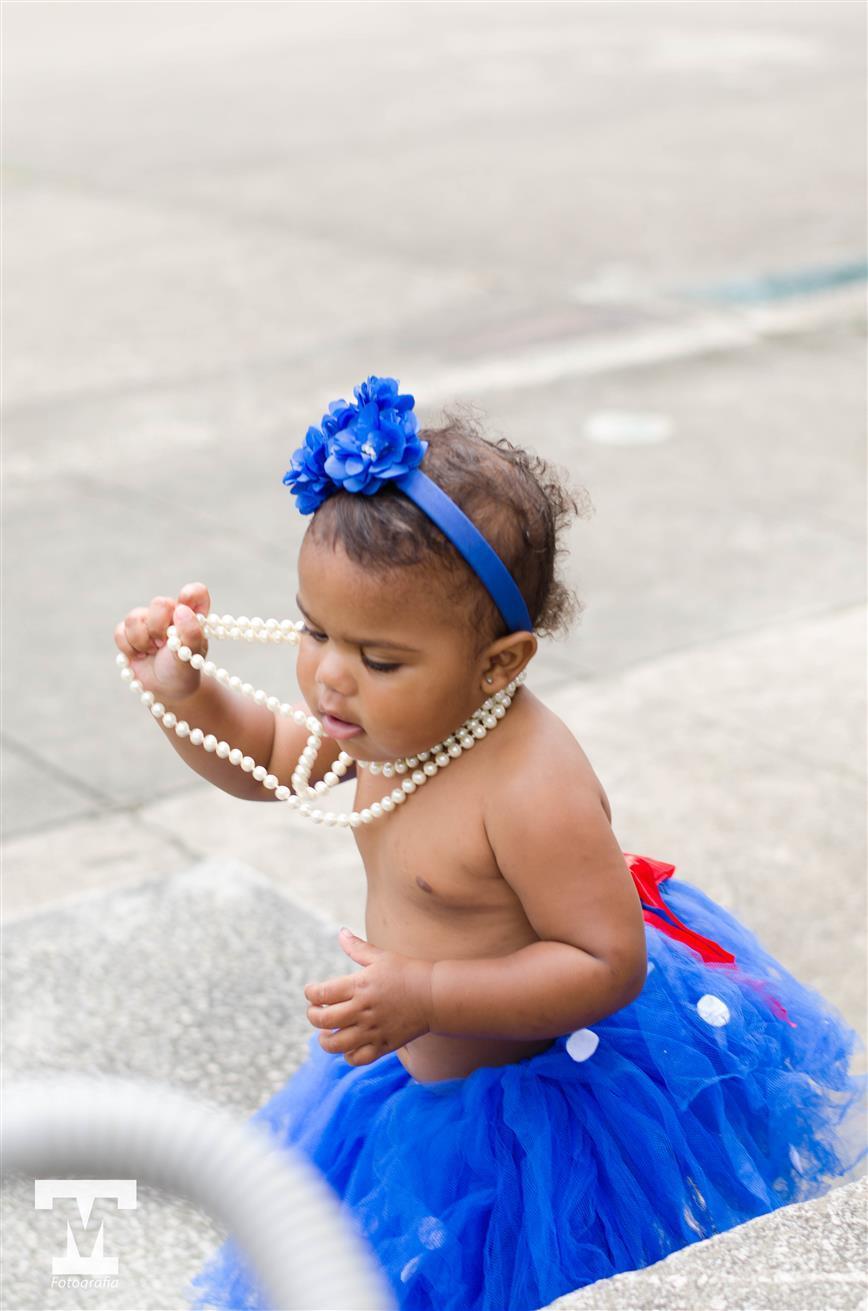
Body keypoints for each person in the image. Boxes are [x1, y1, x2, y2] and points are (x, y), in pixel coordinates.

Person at [115, 376, 866, 1311]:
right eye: (315, 631)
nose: (329, 678)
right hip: (417, 1067)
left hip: (537, 1110)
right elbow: (267, 755)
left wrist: (426, 990)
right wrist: (187, 696)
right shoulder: (386, 725)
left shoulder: (527, 785)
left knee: (527, 1279)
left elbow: (605, 959)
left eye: (378, 658)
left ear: (499, 663)